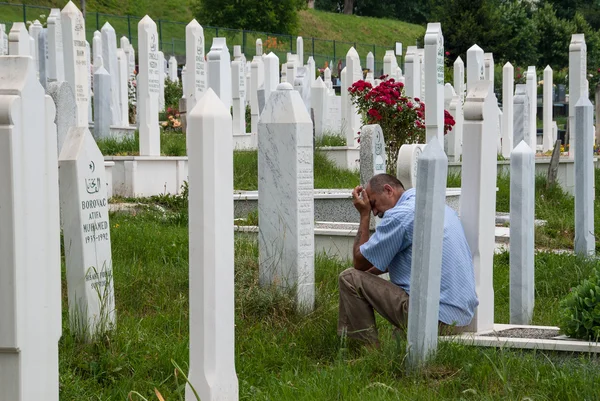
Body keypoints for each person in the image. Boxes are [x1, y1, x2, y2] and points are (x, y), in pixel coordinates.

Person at [338, 173, 479, 346]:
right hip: (462, 317)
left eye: (373, 203)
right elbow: (389, 261)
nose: (375, 211)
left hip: (436, 319)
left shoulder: (400, 215)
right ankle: (355, 348)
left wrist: (364, 215)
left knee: (349, 278)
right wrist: (367, 276)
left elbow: (359, 262)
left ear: (388, 190)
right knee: (397, 339)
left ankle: (365, 355)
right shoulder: (435, 206)